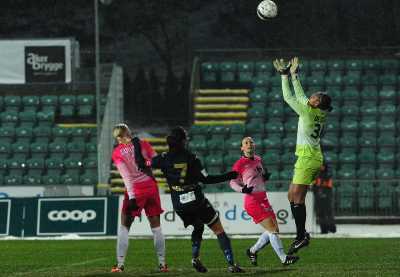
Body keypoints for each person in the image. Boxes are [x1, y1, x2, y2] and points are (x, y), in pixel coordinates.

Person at [150, 126, 244, 273]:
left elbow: (146, 164)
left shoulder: (163, 158)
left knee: (198, 226)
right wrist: (230, 175)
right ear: (182, 141)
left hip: (179, 203)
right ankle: (232, 264)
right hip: (196, 199)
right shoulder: (191, 158)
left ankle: (195, 258)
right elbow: (206, 179)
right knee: (219, 230)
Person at [273, 57, 332, 255]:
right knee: (293, 196)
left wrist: (290, 75)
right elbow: (301, 97)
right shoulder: (320, 113)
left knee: (297, 198)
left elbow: (292, 96)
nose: (310, 98)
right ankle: (301, 234)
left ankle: (301, 236)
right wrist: (290, 74)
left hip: (309, 159)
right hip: (309, 157)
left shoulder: (308, 112)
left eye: (314, 98)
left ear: (317, 103)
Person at [230, 137, 299, 266]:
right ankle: (284, 258)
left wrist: (264, 178)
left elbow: (257, 177)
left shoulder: (258, 159)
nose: (249, 144)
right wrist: (242, 189)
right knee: (272, 230)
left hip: (263, 198)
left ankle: (252, 251)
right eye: (246, 143)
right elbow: (232, 182)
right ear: (242, 148)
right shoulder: (239, 164)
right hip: (252, 200)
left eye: (251, 142)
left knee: (274, 230)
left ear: (254, 145)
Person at [110, 123, 168, 273]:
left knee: (124, 227)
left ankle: (120, 265)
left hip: (135, 190)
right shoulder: (143, 144)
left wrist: (133, 196)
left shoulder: (117, 152)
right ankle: (162, 264)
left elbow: (126, 176)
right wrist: (146, 163)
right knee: (156, 227)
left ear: (119, 137)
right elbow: (156, 161)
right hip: (151, 187)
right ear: (129, 132)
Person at [313, 163, 336, 234]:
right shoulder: (316, 176)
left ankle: (332, 228)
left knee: (329, 213)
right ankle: (323, 229)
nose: (321, 167)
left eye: (322, 166)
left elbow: (329, 186)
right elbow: (314, 186)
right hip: (318, 197)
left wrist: (320, 188)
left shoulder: (328, 175)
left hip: (327, 196)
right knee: (320, 214)